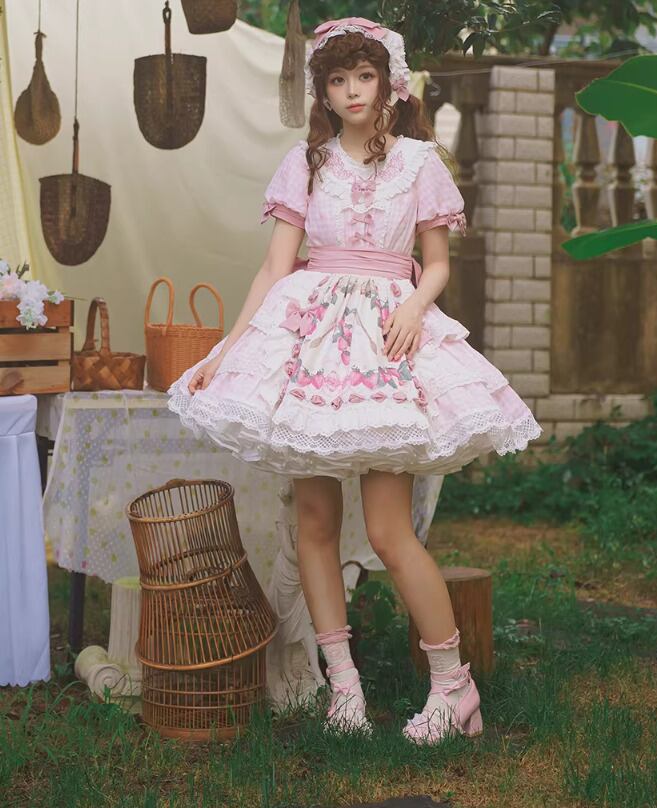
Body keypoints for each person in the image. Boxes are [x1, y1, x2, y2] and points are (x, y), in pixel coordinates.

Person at [167, 16, 542, 745]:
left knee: (387, 529)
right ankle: (344, 691)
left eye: (363, 76)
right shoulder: (305, 164)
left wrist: (415, 305)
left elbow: (437, 262)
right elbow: (276, 267)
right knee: (314, 520)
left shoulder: (419, 163)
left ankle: (453, 688)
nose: (351, 91)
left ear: (388, 83)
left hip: (387, 339)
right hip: (311, 341)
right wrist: (228, 348)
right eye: (337, 80)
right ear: (325, 92)